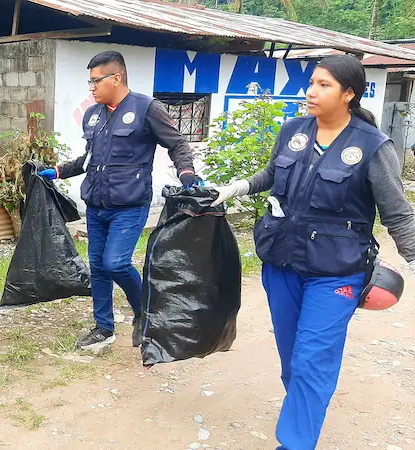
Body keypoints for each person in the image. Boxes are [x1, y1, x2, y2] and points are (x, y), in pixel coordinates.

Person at [213, 55, 415, 449]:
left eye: (324, 84)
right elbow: (272, 174)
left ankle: (295, 442)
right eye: (312, 82)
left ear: (349, 94)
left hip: (337, 272)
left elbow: (398, 214)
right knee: (292, 358)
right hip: (282, 262)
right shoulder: (293, 130)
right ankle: (303, 411)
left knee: (312, 360)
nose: (311, 91)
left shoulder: (373, 146)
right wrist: (236, 187)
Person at [39, 51, 201, 351]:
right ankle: (104, 327)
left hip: (129, 206)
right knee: (98, 268)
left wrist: (187, 172)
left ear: (116, 78)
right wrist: (60, 171)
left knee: (116, 263)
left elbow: (177, 143)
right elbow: (90, 159)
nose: (91, 88)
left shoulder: (146, 109)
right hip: (96, 205)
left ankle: (144, 313)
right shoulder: (94, 114)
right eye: (89, 83)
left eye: (95, 81)